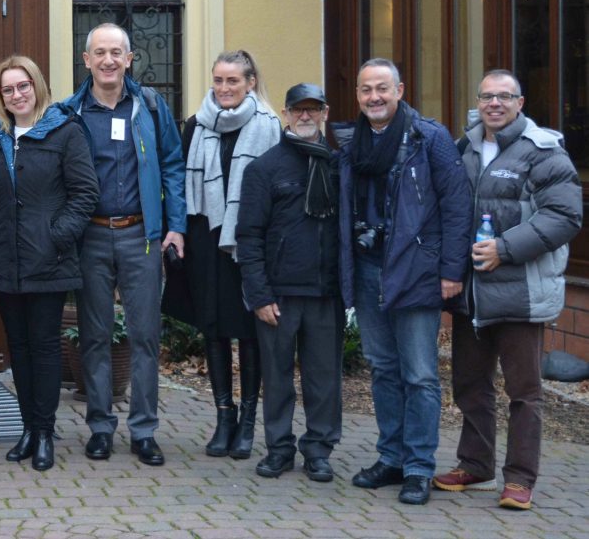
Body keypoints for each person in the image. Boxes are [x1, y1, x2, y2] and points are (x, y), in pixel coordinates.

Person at [432, 70, 582, 510]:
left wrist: (505, 248)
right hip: (472, 294)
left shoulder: (544, 152)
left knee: (524, 391)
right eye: (487, 96)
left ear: (520, 102)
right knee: (470, 385)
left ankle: (520, 479)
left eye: (504, 96)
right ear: (477, 101)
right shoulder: (465, 148)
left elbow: (563, 217)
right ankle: (475, 464)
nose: (494, 103)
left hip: (520, 291)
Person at [335, 58, 471, 505]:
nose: (374, 97)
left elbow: (456, 206)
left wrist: (452, 270)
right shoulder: (352, 143)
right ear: (357, 95)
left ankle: (418, 467)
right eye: (365, 90)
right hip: (369, 266)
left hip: (416, 270)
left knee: (420, 375)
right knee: (383, 369)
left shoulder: (428, 138)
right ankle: (390, 458)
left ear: (400, 89)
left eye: (382, 89)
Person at [62, 22, 186, 466]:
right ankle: (99, 427)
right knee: (93, 335)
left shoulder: (150, 106)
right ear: (87, 60)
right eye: (101, 52)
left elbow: (173, 164)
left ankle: (144, 430)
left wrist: (176, 225)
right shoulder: (69, 113)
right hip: (90, 235)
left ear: (130, 59)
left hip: (141, 235)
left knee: (145, 335)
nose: (109, 60)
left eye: (117, 52)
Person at [0, 56, 98, 471]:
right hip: (6, 261)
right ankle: (28, 428)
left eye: (23, 86)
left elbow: (84, 194)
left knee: (45, 348)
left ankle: (45, 432)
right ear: (0, 96)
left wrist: (55, 234)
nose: (16, 95)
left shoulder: (65, 131)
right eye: (8, 90)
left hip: (50, 260)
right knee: (19, 348)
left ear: (37, 86)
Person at [163, 50, 279, 460]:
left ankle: (248, 422)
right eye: (218, 80)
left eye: (233, 81)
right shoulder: (196, 125)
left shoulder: (268, 127)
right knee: (213, 328)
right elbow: (177, 182)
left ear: (250, 82)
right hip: (205, 239)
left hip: (248, 241)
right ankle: (223, 417)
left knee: (247, 331)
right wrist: (175, 231)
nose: (224, 88)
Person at [236, 83, 343, 482]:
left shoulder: (339, 166)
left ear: (325, 113)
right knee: (277, 377)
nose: (305, 117)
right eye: (298, 110)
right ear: (285, 114)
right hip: (278, 295)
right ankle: (279, 448)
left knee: (324, 380)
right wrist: (259, 294)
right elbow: (248, 236)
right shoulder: (264, 169)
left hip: (325, 293)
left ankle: (318, 449)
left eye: (313, 110)